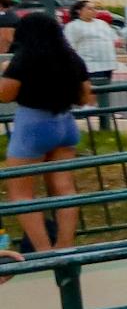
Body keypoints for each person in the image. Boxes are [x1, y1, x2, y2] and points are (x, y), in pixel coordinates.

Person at [2, 13, 93, 252]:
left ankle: (43, 250)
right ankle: (65, 246)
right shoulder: (71, 58)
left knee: (21, 193)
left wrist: (4, 73)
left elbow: (5, 95)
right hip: (65, 123)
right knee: (64, 188)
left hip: (32, 125)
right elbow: (85, 97)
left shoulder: (24, 59)